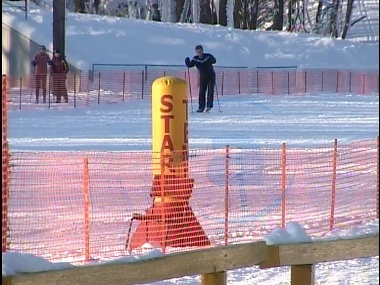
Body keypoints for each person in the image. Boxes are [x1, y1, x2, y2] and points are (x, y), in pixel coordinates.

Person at [185, 45, 216, 112]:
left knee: (210, 90)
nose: (199, 53)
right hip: (203, 77)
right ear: (196, 52)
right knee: (202, 92)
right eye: (197, 52)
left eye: (200, 51)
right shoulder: (195, 59)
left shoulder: (208, 56)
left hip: (211, 75)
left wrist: (211, 60)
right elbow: (190, 65)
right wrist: (187, 61)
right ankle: (201, 107)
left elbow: (214, 61)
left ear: (202, 50)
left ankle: (209, 105)